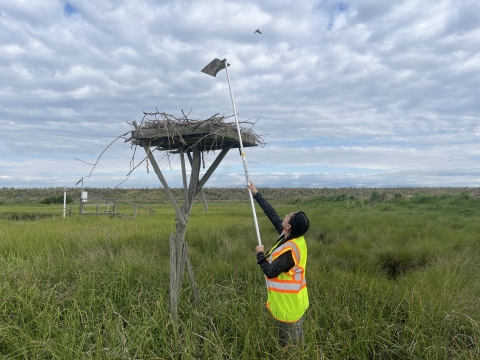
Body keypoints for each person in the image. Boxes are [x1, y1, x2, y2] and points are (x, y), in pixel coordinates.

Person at [247, 182, 310, 347]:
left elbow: (270, 271)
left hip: (289, 308)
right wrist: (256, 194)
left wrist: (260, 253)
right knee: (295, 341)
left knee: (289, 347)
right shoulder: (291, 236)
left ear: (289, 226)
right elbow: (272, 215)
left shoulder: (290, 251)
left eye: (289, 216)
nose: (286, 215)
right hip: (292, 302)